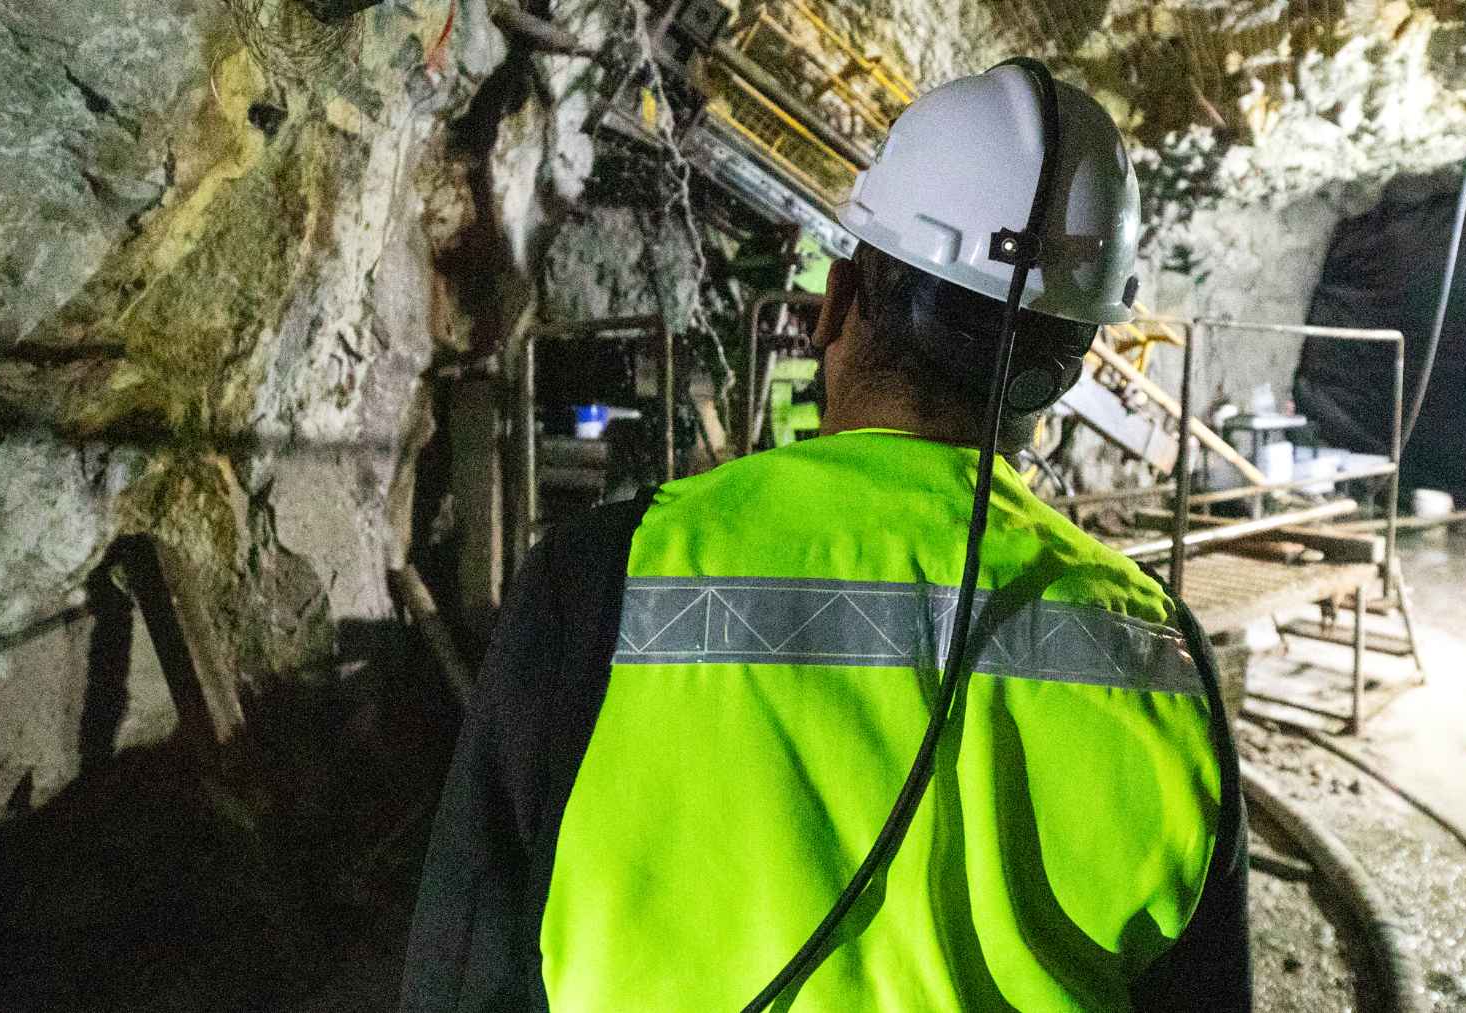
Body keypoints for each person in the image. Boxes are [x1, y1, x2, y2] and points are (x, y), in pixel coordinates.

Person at [401, 61, 1248, 1012]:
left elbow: (466, 961)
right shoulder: (1163, 657)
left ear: (836, 303)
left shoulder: (600, 576)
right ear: (1060, 372)